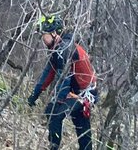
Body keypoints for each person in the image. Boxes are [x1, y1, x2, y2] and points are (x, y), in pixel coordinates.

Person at [28, 15, 99, 150]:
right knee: (80, 127)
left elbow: (64, 78)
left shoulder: (64, 49)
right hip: (77, 92)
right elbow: (48, 73)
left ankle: (54, 147)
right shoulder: (58, 48)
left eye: (45, 35)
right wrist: (35, 94)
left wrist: (58, 101)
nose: (43, 39)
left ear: (54, 33)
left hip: (86, 94)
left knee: (55, 113)